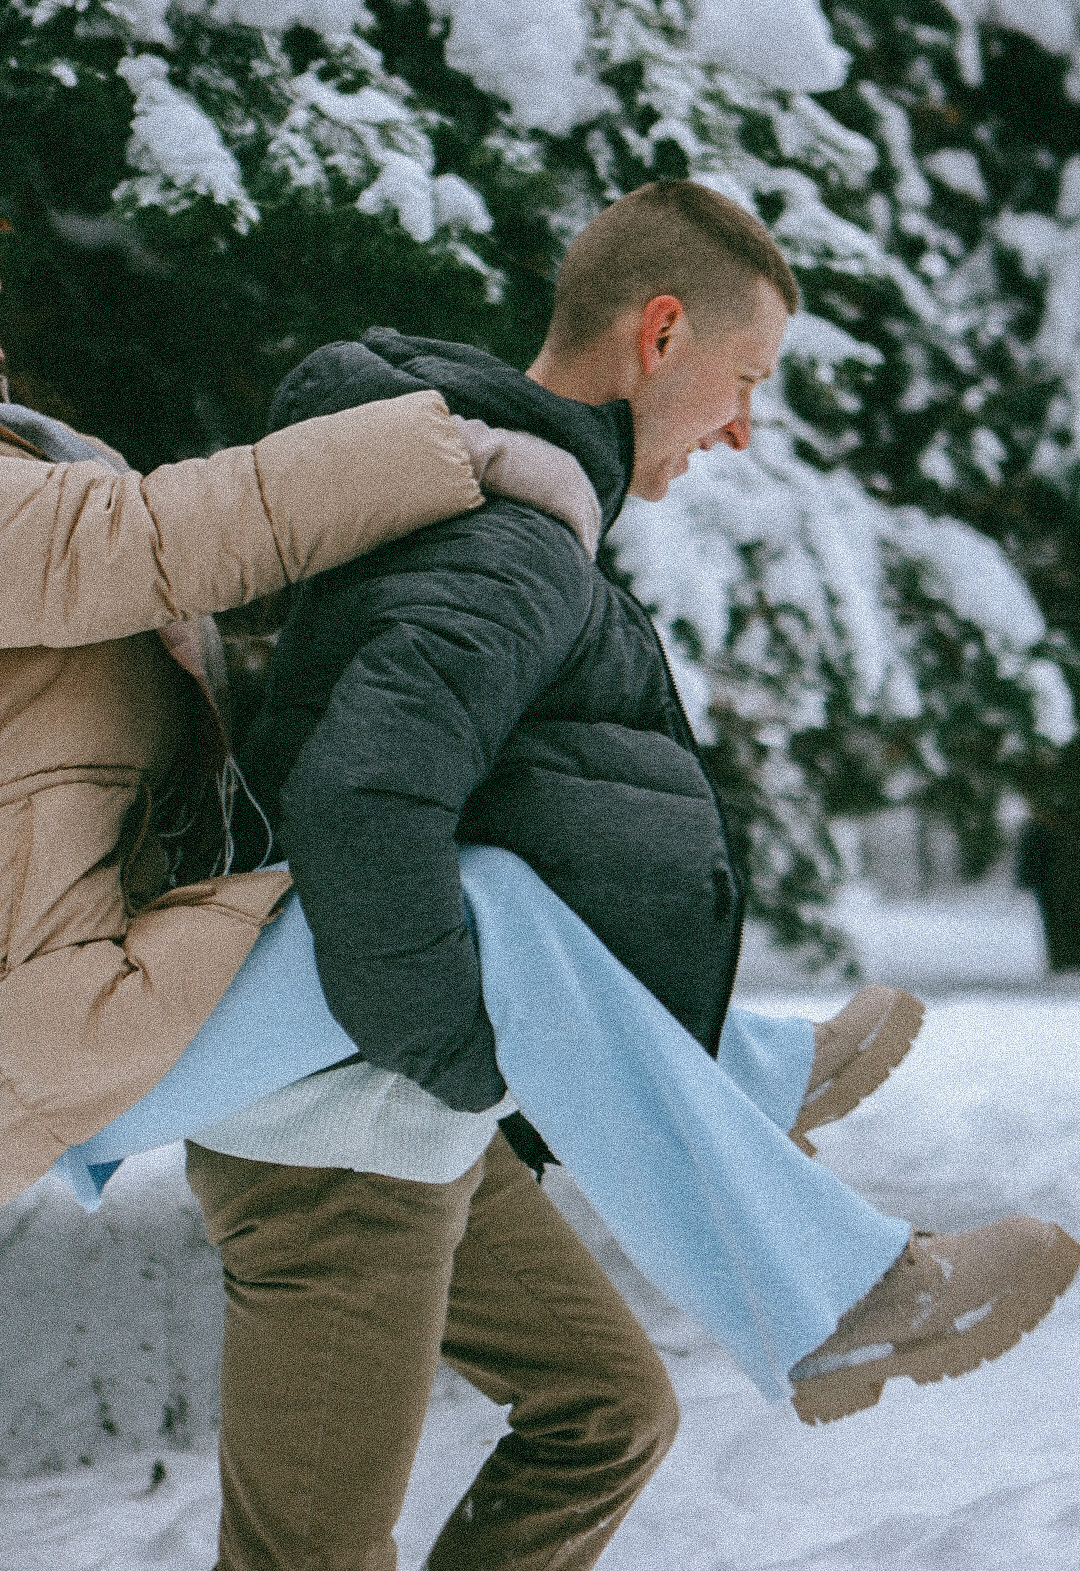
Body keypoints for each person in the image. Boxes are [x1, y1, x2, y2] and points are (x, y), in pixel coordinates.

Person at [175, 181, 1078, 1571]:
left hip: (387, 1102)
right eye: (743, 379)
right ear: (661, 334)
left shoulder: (497, 498)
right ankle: (819, 1229)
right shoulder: (508, 539)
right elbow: (363, 797)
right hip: (343, 1137)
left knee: (605, 1410)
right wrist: (460, 1053)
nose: (743, 427)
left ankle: (746, 1082)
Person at [0, 383, 510, 1204]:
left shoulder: (40, 454)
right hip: (59, 1024)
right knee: (486, 917)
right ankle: (749, 1079)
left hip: (91, 993)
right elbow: (153, 539)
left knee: (428, 1140)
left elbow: (184, 577)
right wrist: (466, 452)